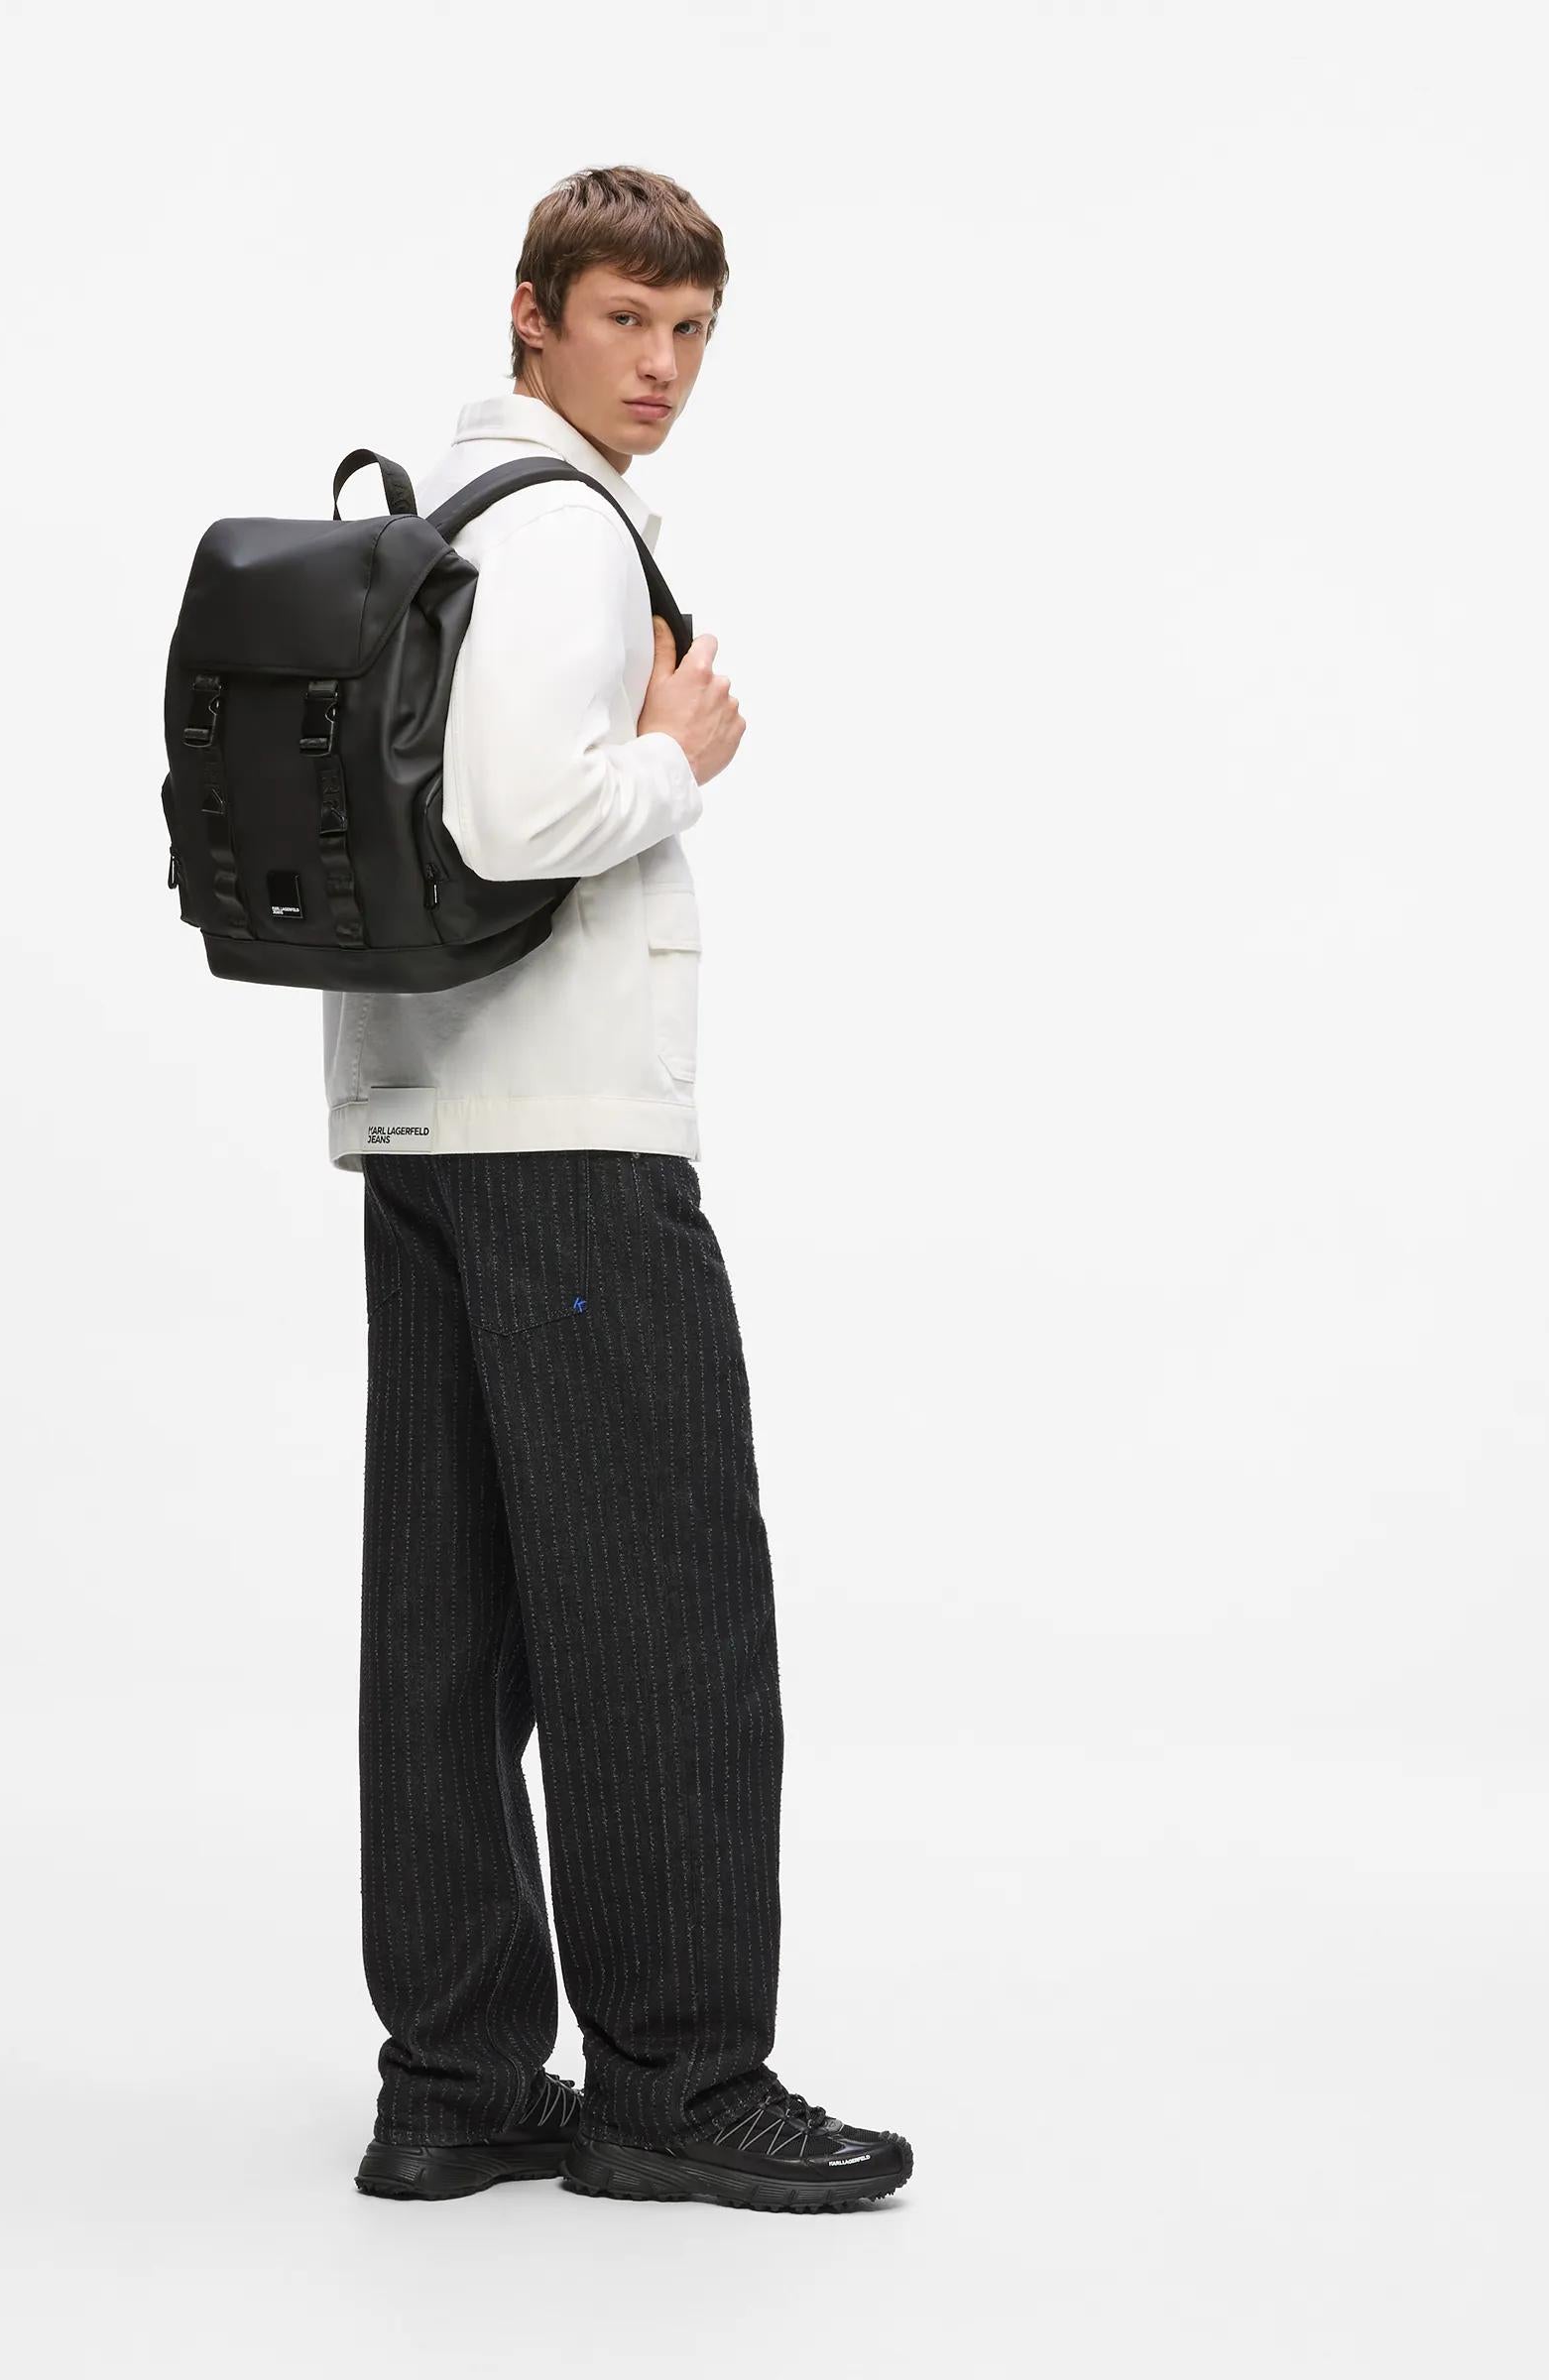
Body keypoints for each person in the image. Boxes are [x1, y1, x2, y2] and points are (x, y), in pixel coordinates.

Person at [328, 165, 913, 2213]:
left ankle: (456, 2081)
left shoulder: (425, 506)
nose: (661, 369)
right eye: (625, 323)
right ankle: (676, 2081)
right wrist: (680, 755)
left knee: (450, 1625)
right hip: (569, 1145)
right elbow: (518, 818)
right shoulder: (567, 528)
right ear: (533, 314)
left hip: (421, 1123)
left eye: (690, 334)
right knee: (662, 1601)